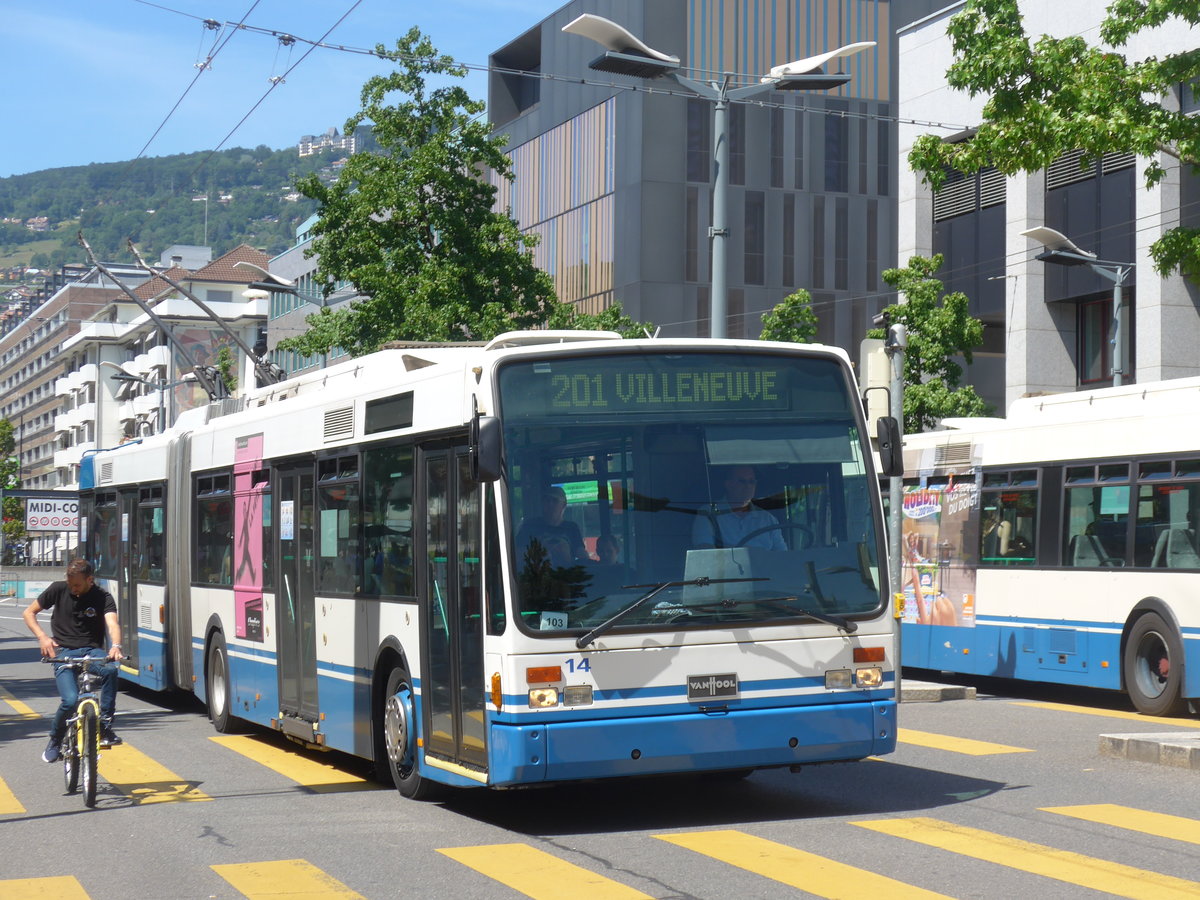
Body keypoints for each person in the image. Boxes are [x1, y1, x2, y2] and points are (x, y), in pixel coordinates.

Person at [22, 559, 124, 762]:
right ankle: (55, 739)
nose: (73, 588)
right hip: (63, 652)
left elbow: (112, 623)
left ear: (90, 579)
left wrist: (116, 646)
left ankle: (104, 725)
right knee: (69, 700)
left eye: (77, 585)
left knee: (111, 671)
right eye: (70, 584)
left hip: (91, 651)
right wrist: (43, 637)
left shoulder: (102, 597)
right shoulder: (58, 589)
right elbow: (28, 613)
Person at [692, 465, 786, 550]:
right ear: (728, 484)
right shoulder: (708, 513)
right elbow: (703, 550)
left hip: (764, 569)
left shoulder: (769, 520)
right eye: (742, 481)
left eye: (751, 481)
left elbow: (783, 556)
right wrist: (748, 554)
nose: (748, 486)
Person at [515, 486, 588, 563]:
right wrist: (539, 550)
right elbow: (515, 554)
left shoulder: (571, 528)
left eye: (555, 501)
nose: (550, 504)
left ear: (564, 505)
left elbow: (583, 556)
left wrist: (566, 554)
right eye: (547, 501)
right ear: (542, 504)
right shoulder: (531, 526)